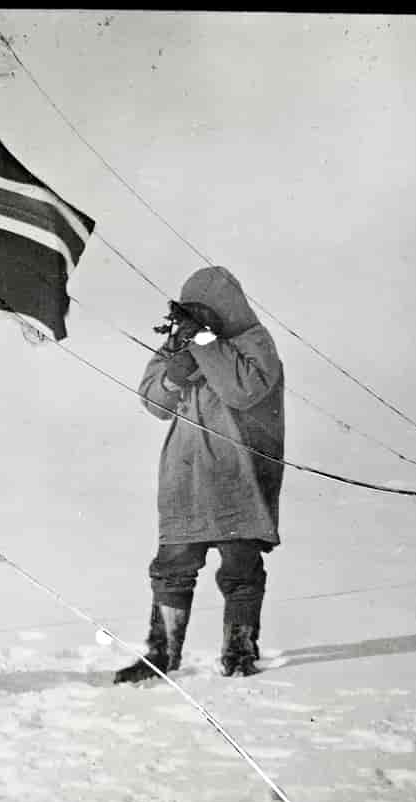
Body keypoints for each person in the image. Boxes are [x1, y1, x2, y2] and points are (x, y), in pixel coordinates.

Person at [115, 266, 284, 683]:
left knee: (241, 567)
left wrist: (203, 344)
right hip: (185, 474)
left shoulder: (254, 344)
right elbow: (153, 403)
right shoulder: (180, 344)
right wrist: (173, 375)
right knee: (172, 565)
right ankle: (161, 654)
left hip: (238, 472)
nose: (196, 321)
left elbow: (243, 389)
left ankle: (240, 651)